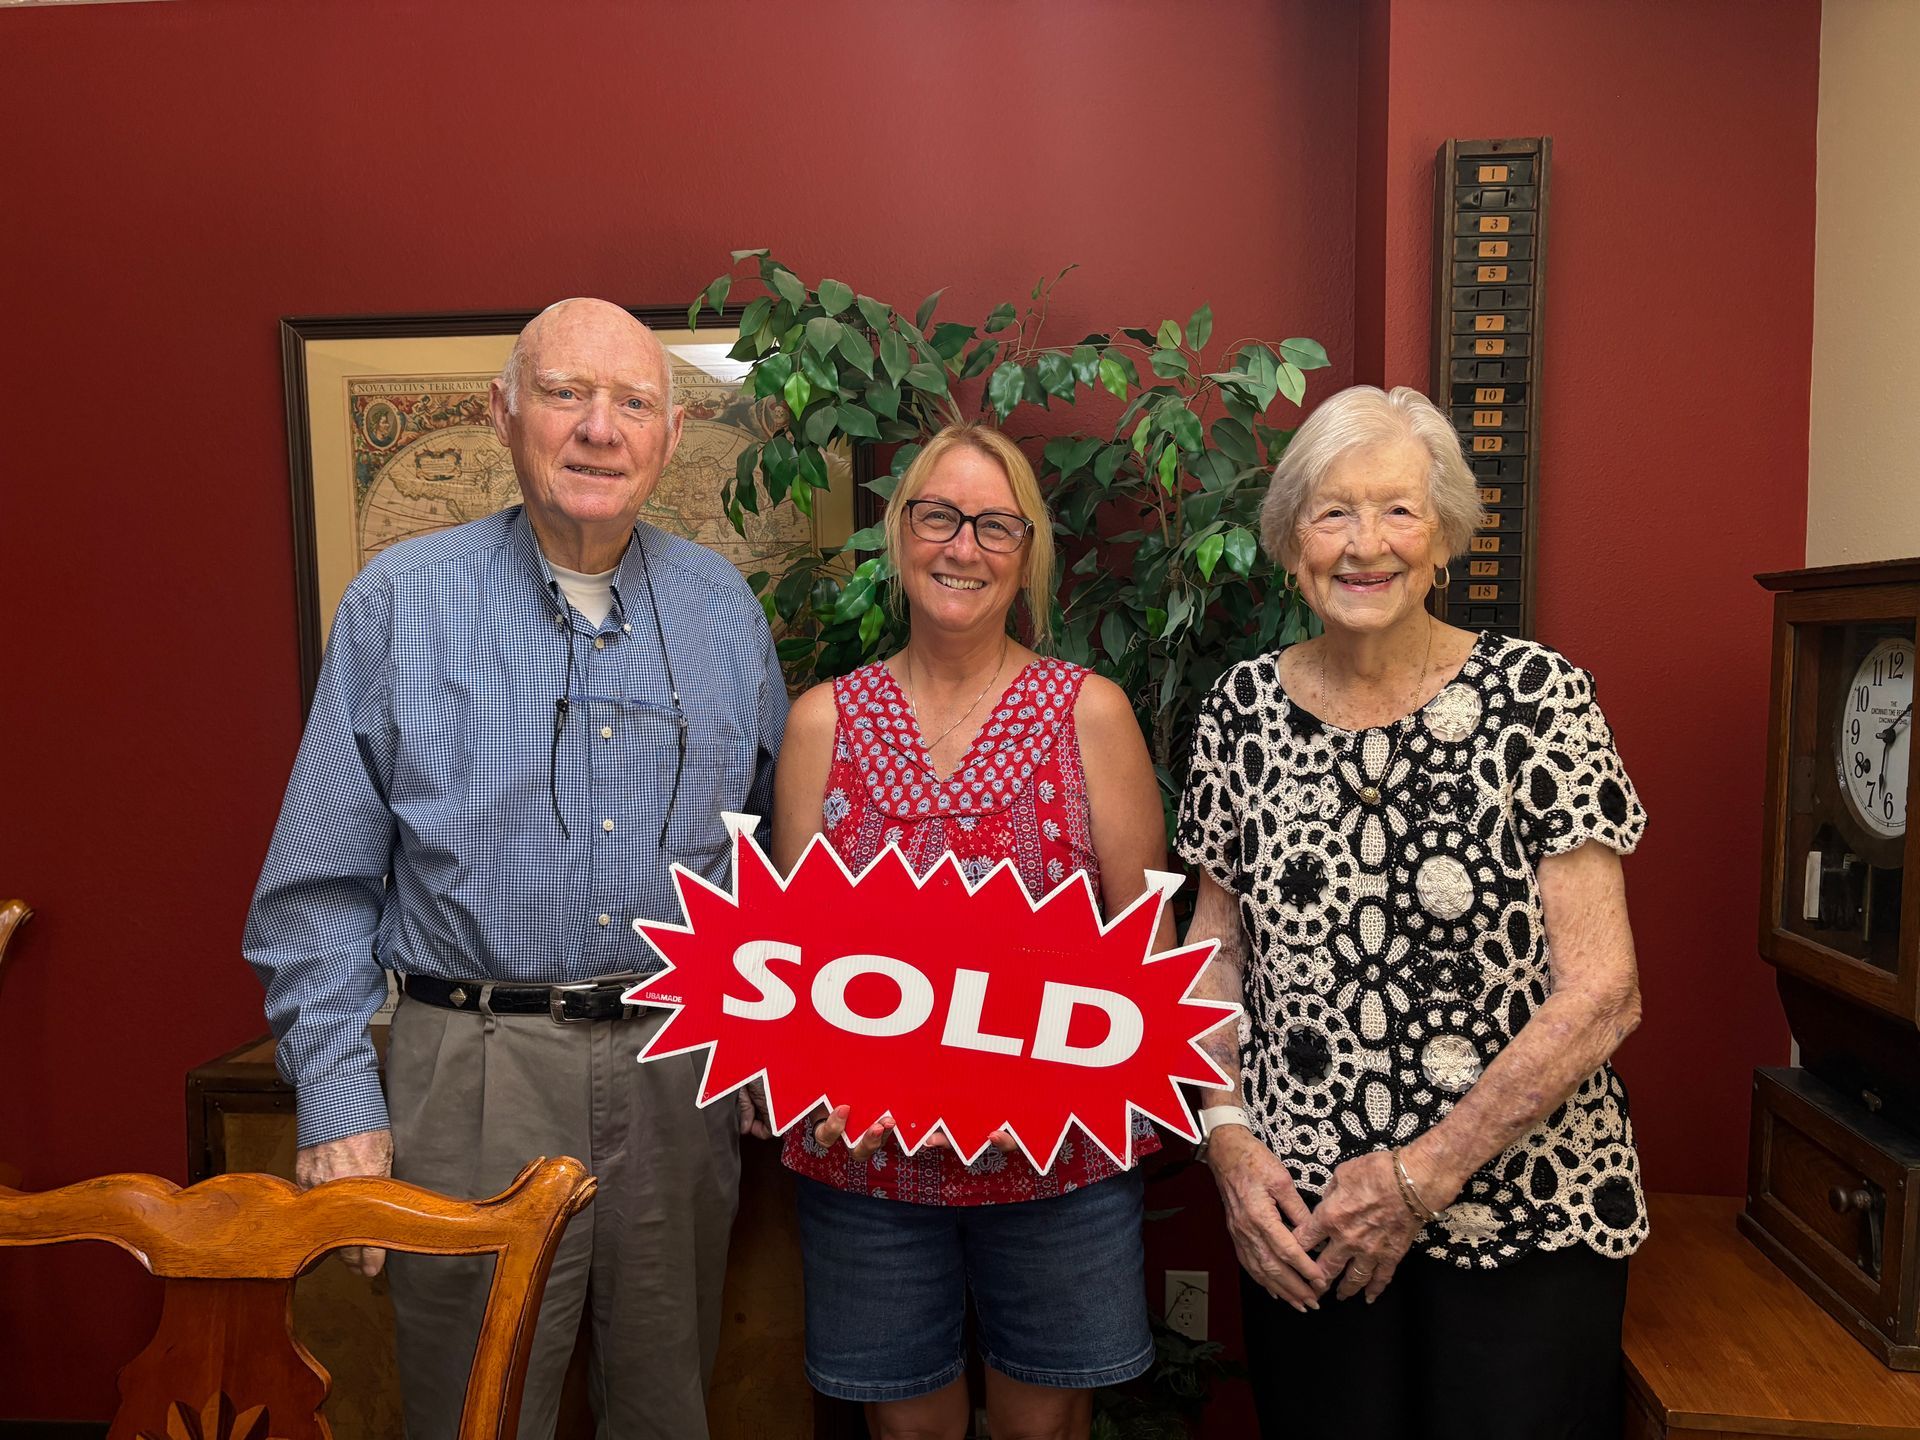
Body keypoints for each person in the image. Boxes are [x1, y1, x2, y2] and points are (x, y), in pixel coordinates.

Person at [244, 299, 786, 1440]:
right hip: (470, 1074)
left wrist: (771, 1049)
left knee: (668, 1411)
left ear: (670, 437)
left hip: (677, 1071)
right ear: (503, 414)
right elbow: (318, 889)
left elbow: (770, 866)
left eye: (633, 402)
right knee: (474, 1417)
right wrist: (340, 1096)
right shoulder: (401, 602)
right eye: (565, 394)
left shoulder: (723, 612)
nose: (600, 428)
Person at [1175, 385, 1648, 1438]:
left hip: (1522, 1220)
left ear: (1442, 540)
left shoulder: (1540, 699)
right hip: (1307, 1229)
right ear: (1292, 541)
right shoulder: (1240, 710)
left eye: (1397, 510)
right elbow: (1209, 958)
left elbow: (1606, 993)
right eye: (1332, 511)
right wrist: (1229, 1142)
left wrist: (1418, 1178)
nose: (1365, 544)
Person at [769, 422, 1166, 1440]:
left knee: (1046, 1429)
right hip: (871, 1166)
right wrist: (823, 1086)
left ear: (1027, 552)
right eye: (939, 517)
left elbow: (1146, 957)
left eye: (995, 526)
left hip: (1057, 1160)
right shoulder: (823, 723)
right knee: (910, 1433)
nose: (964, 547)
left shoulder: (1093, 715)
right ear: (900, 534)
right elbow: (797, 960)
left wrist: (1036, 1091)